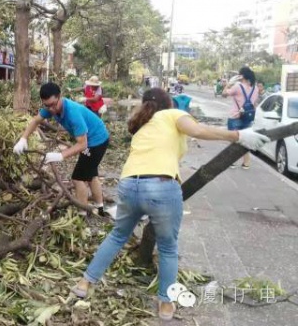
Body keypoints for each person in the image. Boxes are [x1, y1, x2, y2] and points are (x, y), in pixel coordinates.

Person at [70, 88, 270, 321]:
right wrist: (238, 136)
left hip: (128, 185)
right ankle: (165, 303)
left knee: (117, 236)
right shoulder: (172, 115)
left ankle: (85, 283)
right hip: (161, 187)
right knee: (167, 247)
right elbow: (199, 130)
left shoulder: (141, 126)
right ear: (169, 104)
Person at [13, 82, 110, 215]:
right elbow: (36, 120)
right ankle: (100, 208)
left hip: (96, 141)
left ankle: (82, 214)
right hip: (94, 139)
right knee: (91, 174)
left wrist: (60, 155)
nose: (51, 109)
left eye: (53, 104)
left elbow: (82, 145)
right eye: (47, 105)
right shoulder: (50, 107)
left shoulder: (72, 113)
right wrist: (23, 139)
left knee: (78, 178)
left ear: (60, 96)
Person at [222, 67, 258, 169]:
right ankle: (246, 163)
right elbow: (254, 104)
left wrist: (229, 84)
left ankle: (232, 162)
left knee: (233, 139)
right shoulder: (255, 88)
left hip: (235, 117)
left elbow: (224, 94)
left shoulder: (238, 86)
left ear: (241, 76)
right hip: (248, 117)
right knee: (245, 140)